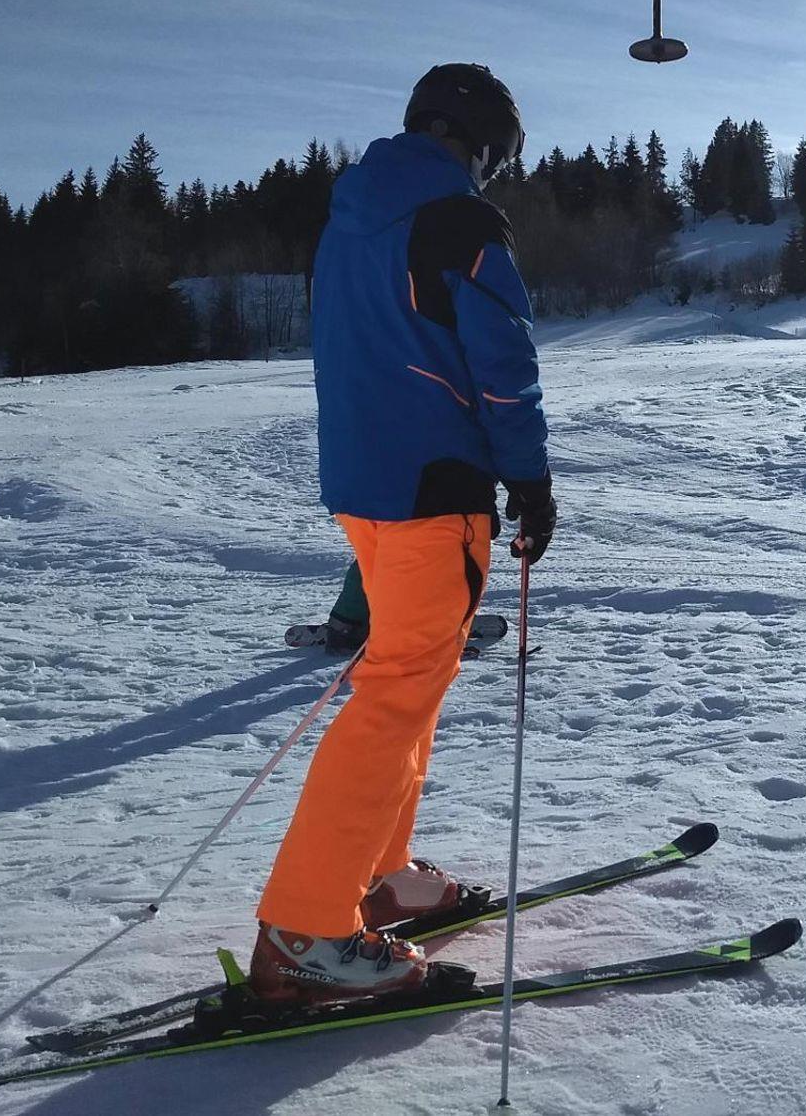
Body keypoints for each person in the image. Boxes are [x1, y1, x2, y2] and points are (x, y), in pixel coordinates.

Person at [250, 63, 556, 1002]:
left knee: (408, 676)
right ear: (482, 144)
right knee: (396, 694)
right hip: (433, 487)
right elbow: (502, 360)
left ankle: (378, 874)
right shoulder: (459, 219)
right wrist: (530, 478)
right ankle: (306, 928)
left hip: (366, 484)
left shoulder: (352, 219)